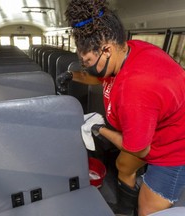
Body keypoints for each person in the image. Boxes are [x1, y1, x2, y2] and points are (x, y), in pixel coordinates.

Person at [61, 0, 185, 215]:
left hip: (173, 149)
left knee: (147, 210)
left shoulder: (136, 89)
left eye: (88, 61)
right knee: (124, 166)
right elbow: (100, 77)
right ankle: (125, 209)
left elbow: (138, 148)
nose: (87, 67)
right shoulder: (127, 52)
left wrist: (98, 128)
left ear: (106, 49)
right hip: (149, 131)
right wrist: (74, 75)